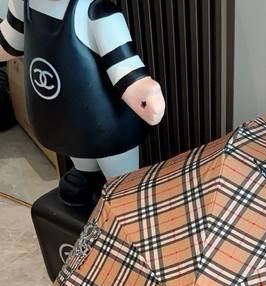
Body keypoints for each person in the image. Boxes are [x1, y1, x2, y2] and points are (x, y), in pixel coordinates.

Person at [0, 0, 165, 205]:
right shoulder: (22, 3)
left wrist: (142, 91)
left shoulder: (96, 12)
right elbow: (9, 42)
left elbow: (122, 63)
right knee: (75, 145)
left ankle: (123, 189)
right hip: (62, 113)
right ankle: (87, 174)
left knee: (116, 167)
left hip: (105, 119)